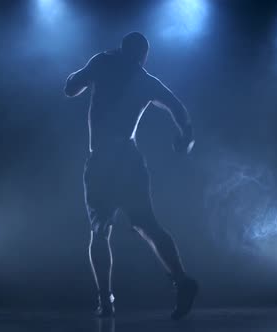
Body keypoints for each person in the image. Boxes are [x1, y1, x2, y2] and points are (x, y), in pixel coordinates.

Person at [64, 32, 198, 320]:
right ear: (144, 57)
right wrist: (185, 135)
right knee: (148, 225)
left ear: (122, 49)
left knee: (100, 231)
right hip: (128, 159)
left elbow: (70, 88)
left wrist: (82, 75)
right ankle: (181, 279)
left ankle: (106, 301)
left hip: (103, 160)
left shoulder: (103, 63)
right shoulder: (146, 81)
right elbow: (176, 106)